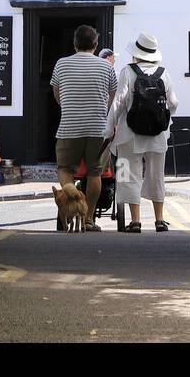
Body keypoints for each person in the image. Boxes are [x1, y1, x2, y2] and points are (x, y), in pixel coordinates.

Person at [108, 32, 179, 232]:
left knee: (127, 174)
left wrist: (108, 129)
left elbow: (118, 104)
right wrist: (163, 121)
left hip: (128, 135)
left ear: (135, 54)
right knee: (157, 175)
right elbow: (174, 103)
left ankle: (136, 221)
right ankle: (159, 219)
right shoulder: (164, 73)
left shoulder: (127, 72)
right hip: (157, 135)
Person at [50, 24, 117, 231]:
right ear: (95, 45)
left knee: (64, 169)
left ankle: (69, 205)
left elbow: (57, 95)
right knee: (95, 173)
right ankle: (88, 219)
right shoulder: (106, 67)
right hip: (98, 129)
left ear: (74, 44)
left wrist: (70, 107)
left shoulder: (61, 64)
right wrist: (100, 111)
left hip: (69, 127)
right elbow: (112, 97)